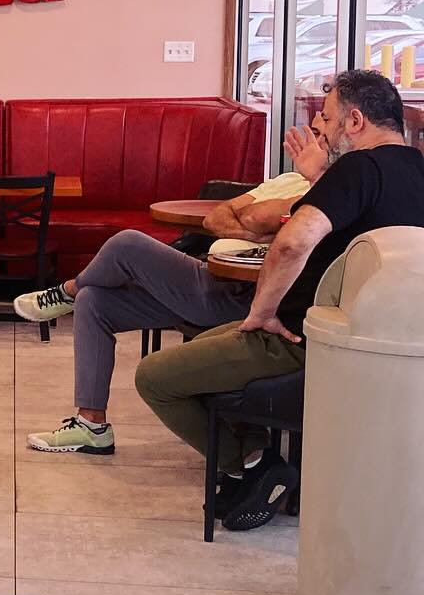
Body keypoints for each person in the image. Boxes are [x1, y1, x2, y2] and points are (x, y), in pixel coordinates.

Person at [135, 69, 424, 530]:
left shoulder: (359, 168)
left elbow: (293, 241)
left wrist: (263, 311)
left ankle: (250, 464)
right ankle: (255, 458)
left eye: (326, 121)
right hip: (378, 348)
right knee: (207, 344)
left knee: (155, 377)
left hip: (301, 340)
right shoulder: (414, 169)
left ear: (354, 121)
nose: (322, 132)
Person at [15, 119, 330, 456]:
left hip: (251, 300)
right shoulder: (285, 181)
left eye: (322, 135)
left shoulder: (326, 194)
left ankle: (67, 292)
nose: (310, 142)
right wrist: (259, 229)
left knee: (128, 244)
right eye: (311, 132)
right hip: (215, 280)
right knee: (96, 302)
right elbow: (217, 217)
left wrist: (271, 212)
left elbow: (265, 222)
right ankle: (92, 425)